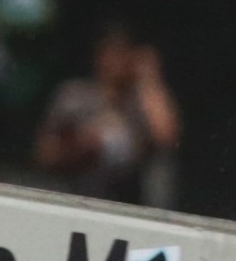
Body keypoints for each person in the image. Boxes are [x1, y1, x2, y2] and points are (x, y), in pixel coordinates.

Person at [34, 23, 181, 203]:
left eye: (122, 53)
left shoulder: (143, 104)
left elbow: (166, 138)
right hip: (75, 195)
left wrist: (149, 79)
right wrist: (81, 146)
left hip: (129, 200)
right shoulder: (74, 96)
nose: (116, 61)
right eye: (111, 52)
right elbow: (44, 154)